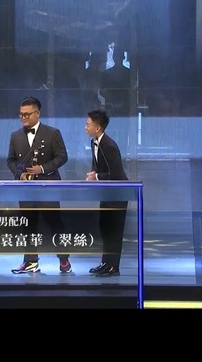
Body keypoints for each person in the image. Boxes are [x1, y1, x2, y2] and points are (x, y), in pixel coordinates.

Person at [7, 96, 71, 274]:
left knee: (55, 223)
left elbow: (62, 156)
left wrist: (42, 168)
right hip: (26, 189)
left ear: (37, 113)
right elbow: (11, 160)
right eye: (21, 114)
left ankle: (64, 259)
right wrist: (20, 174)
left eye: (27, 114)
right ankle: (30, 261)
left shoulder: (52, 133)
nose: (23, 118)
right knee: (28, 225)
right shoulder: (15, 136)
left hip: (48, 187)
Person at [85, 108, 129, 277]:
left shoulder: (109, 146)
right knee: (105, 228)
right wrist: (93, 173)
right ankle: (105, 263)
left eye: (88, 124)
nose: (86, 127)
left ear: (98, 128)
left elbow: (115, 174)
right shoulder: (94, 142)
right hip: (106, 193)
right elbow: (98, 164)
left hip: (118, 194)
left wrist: (96, 177)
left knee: (114, 231)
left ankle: (113, 266)